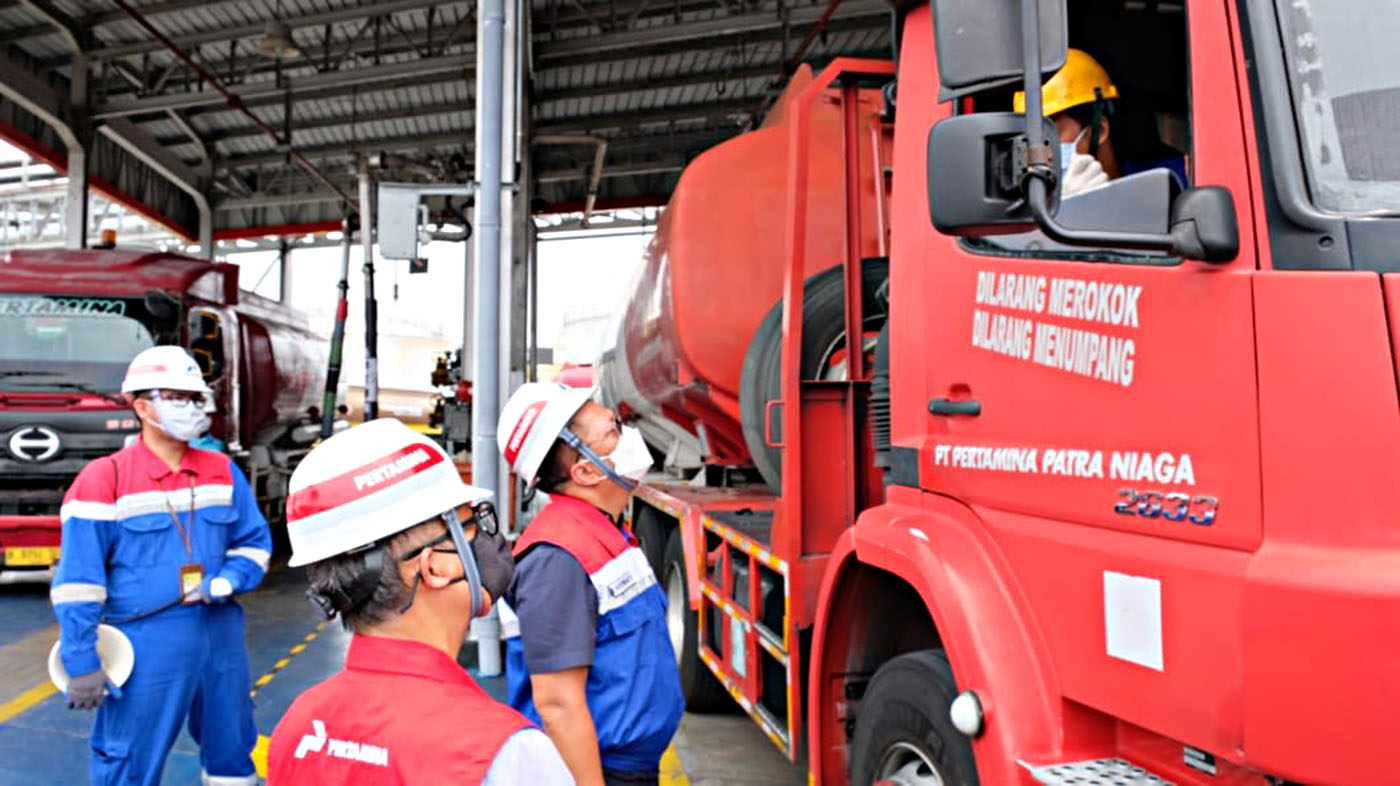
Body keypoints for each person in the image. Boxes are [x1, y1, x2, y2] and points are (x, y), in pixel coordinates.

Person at [266, 418, 574, 785]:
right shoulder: (506, 754)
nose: (488, 540)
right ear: (436, 566)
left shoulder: (297, 728)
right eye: (469, 525)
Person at [50, 345, 270, 786]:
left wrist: (229, 580)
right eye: (176, 397)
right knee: (128, 758)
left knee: (232, 751)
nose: (189, 408)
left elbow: (254, 543)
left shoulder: (223, 472)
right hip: (146, 642)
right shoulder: (103, 478)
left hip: (220, 632)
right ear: (142, 406)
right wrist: (80, 657)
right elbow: (78, 581)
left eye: (193, 398)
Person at [495, 383, 685, 786]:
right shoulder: (559, 558)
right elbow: (558, 704)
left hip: (626, 766)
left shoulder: (606, 531)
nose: (630, 435)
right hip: (597, 771)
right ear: (586, 470)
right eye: (614, 431)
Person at [1015, 48, 1122, 196]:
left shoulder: (1151, 189)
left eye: (1051, 129)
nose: (1041, 147)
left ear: (1100, 130)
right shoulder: (1033, 203)